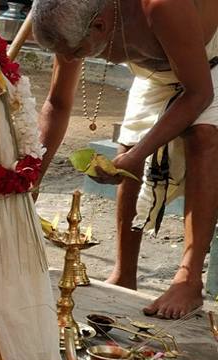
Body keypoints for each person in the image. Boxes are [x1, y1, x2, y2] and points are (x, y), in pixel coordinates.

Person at [30, 0, 218, 319]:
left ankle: (189, 278)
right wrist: (31, 179)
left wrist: (138, 155)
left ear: (101, 25)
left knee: (203, 137)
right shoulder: (75, 17)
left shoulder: (162, 6)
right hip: (159, 69)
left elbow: (200, 94)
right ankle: (124, 274)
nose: (72, 58)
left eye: (76, 51)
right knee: (125, 148)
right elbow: (58, 104)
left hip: (209, 61)